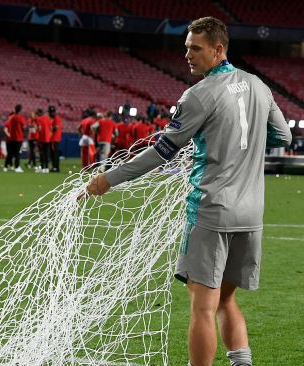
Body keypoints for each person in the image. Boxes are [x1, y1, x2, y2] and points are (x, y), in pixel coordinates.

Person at [84, 17, 292, 366]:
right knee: (226, 301)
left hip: (211, 213)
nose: (188, 55)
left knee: (202, 308)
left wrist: (110, 178)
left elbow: (163, 151)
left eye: (195, 48)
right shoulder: (259, 85)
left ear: (218, 49)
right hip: (251, 215)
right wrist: (247, 144)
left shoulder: (199, 95)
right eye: (186, 48)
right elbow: (283, 137)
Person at [3, 104, 25, 173]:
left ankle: (5, 166)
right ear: (20, 110)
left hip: (11, 138)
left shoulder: (11, 117)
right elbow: (23, 126)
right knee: (17, 153)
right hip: (18, 138)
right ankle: (17, 167)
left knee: (10, 153)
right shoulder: (20, 118)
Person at [35, 108, 52, 174]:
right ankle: (46, 168)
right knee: (46, 154)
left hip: (41, 138)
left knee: (42, 154)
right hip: (47, 139)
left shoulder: (39, 119)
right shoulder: (48, 119)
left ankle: (42, 168)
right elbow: (50, 129)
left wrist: (36, 128)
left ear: (39, 113)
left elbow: (39, 128)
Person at [48, 105, 62, 173]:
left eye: (52, 112)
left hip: (54, 139)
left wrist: (48, 129)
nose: (51, 113)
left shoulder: (56, 119)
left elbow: (55, 128)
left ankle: (55, 167)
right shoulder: (54, 119)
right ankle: (54, 167)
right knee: (53, 153)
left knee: (54, 154)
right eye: (51, 112)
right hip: (53, 138)